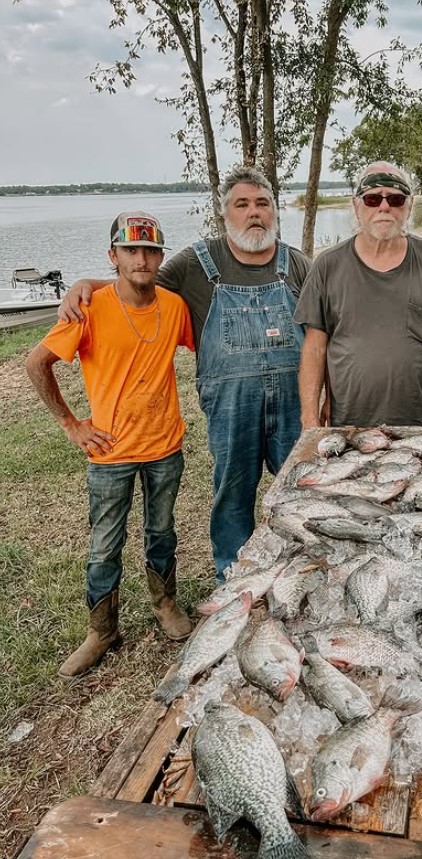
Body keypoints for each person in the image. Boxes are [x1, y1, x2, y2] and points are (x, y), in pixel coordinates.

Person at [58, 167, 310, 583]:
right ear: (224, 213)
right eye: (242, 204)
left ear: (274, 211)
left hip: (294, 404)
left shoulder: (297, 263)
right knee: (233, 493)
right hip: (231, 409)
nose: (254, 213)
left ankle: (303, 571)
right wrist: (86, 283)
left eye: (262, 204)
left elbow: (322, 333)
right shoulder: (197, 263)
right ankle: (235, 579)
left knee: (299, 491)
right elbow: (140, 282)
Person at [26, 212, 195, 678]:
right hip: (110, 453)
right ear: (114, 255)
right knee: (105, 545)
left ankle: (164, 604)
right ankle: (101, 630)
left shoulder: (174, 307)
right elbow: (37, 363)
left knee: (161, 531)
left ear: (160, 256)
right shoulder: (90, 307)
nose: (142, 259)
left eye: (151, 250)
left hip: (164, 445)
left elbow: (207, 345)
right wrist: (70, 424)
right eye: (131, 250)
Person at [295, 162, 422, 430]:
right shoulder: (328, 265)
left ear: (409, 207)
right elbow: (316, 346)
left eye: (396, 198)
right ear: (357, 206)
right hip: (350, 425)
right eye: (373, 198)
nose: (384, 206)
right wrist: (309, 417)